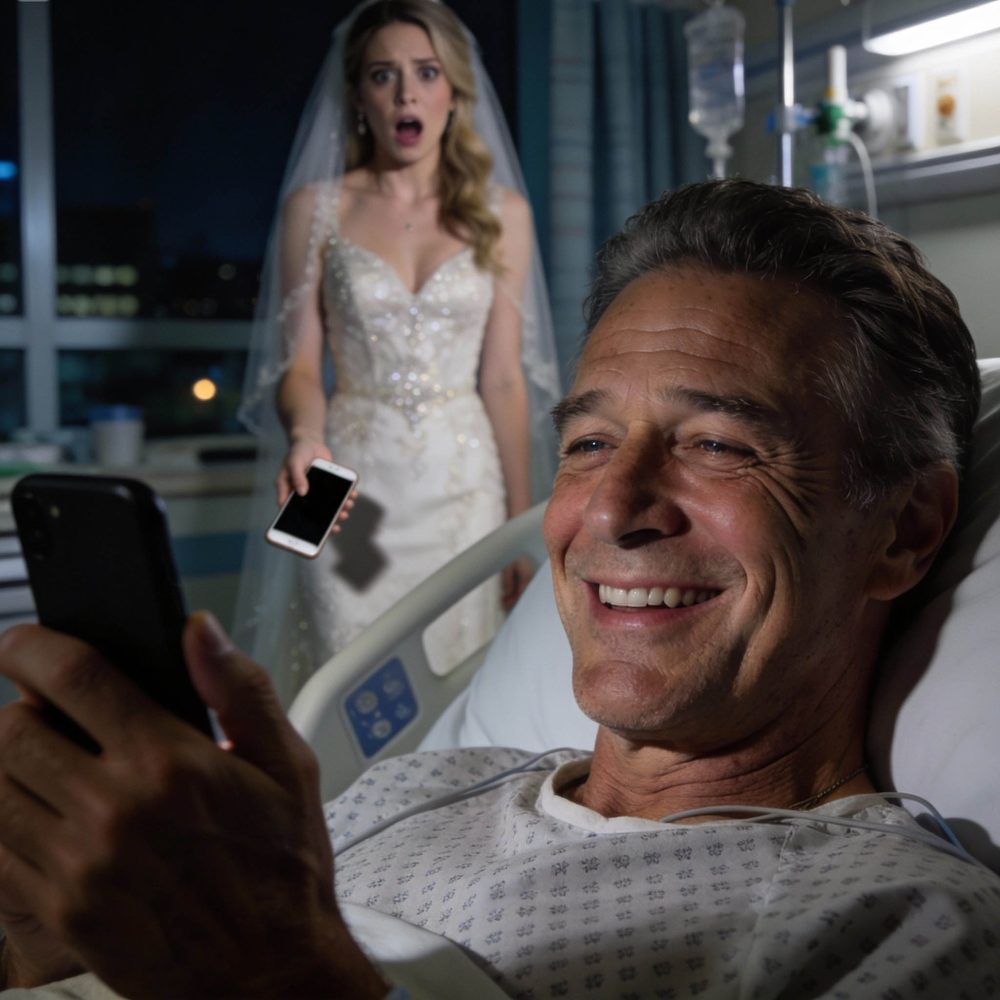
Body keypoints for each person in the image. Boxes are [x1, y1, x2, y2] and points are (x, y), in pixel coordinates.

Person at [1, 179, 999, 999]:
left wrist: (271, 975)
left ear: (904, 531)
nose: (610, 509)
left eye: (717, 444)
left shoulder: (900, 924)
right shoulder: (415, 785)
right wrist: (57, 941)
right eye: (589, 443)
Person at [233, 0, 561, 704]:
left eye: (426, 72)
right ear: (358, 97)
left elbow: (504, 380)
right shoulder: (315, 209)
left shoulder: (504, 214)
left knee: (457, 689)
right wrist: (306, 437)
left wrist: (521, 529)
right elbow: (300, 367)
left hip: (466, 493)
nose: (406, 93)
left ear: (454, 93)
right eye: (383, 75)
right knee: (354, 693)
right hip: (351, 492)